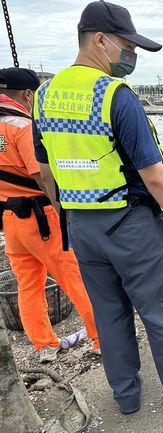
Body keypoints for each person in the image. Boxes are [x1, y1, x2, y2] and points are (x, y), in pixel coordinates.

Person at [33, 1, 163, 414]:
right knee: (159, 311)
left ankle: (126, 397)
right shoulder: (115, 95)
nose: (131, 55)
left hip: (82, 227)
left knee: (109, 315)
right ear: (100, 40)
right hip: (130, 225)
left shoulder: (43, 96)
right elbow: (155, 175)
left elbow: (44, 172)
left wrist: (72, 209)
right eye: (128, 46)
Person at [0, 67, 100, 363]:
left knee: (28, 284)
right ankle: (100, 337)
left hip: (11, 221)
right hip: (41, 218)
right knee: (74, 277)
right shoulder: (22, 127)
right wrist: (63, 210)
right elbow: (41, 175)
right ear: (29, 95)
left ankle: (44, 345)